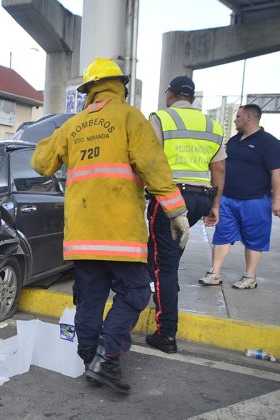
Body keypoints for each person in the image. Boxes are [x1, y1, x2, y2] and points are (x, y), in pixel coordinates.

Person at [31, 58, 189, 394]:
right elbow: (153, 165)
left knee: (89, 298)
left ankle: (91, 359)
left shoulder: (73, 126)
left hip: (82, 236)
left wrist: (55, 138)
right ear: (120, 86)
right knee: (133, 293)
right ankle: (107, 354)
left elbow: (40, 162)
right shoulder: (130, 117)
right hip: (121, 235)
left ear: (89, 90)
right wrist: (177, 211)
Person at [145, 76, 225, 354]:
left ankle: (166, 333)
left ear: (171, 93)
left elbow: (148, 159)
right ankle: (160, 293)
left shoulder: (161, 118)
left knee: (163, 266)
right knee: (162, 257)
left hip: (170, 199)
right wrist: (215, 205)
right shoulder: (212, 125)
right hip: (200, 198)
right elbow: (219, 169)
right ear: (191, 97)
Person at [199, 104, 280, 289]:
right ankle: (215, 272)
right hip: (228, 199)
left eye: (238, 116)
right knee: (222, 236)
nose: (235, 120)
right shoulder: (235, 141)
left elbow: (277, 173)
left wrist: (277, 200)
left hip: (256, 200)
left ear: (249, 118)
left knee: (254, 239)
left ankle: (249, 277)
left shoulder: (270, 143)